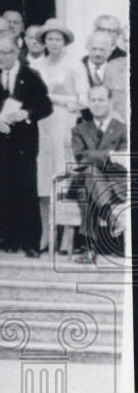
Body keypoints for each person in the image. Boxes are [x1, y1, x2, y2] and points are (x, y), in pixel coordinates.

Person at [0, 36, 53, 257]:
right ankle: (7, 239)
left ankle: (31, 243)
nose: (2, 57)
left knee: (26, 188)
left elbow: (45, 105)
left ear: (17, 52)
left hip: (24, 142)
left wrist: (26, 113)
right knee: (2, 187)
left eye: (7, 52)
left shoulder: (30, 75)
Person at [33, 19, 88, 253]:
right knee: (43, 179)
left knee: (63, 177)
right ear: (44, 41)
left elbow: (84, 100)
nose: (53, 43)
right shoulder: (37, 65)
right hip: (41, 126)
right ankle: (47, 233)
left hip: (64, 124)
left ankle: (67, 234)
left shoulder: (74, 66)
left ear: (64, 42)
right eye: (49, 38)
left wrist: (54, 99)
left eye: (57, 39)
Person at [70, 85, 128, 263]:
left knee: (90, 178)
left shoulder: (123, 128)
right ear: (88, 103)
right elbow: (81, 156)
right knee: (89, 171)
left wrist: (101, 157)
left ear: (110, 102)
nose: (97, 104)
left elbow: (123, 159)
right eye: (93, 100)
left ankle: (88, 248)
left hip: (114, 183)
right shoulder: (79, 129)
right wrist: (110, 155)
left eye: (101, 99)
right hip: (85, 180)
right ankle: (111, 217)